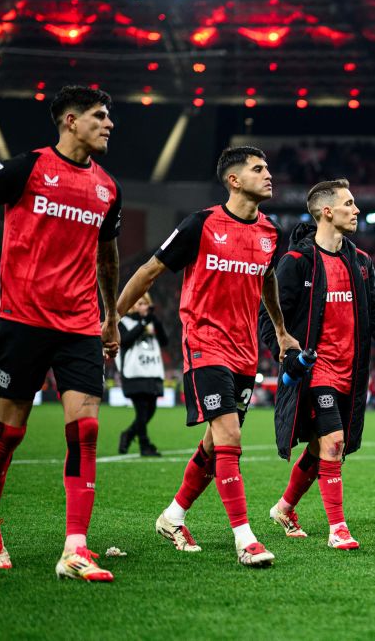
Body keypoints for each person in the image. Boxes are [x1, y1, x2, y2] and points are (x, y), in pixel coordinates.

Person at [0, 85, 121, 580]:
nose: (109, 124)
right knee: (11, 432)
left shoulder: (108, 188)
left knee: (86, 431)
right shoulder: (27, 168)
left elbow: (107, 256)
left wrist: (110, 316)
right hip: (23, 320)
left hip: (80, 324)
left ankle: (76, 548)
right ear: (70, 120)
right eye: (99, 116)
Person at [117, 146, 298, 567]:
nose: (268, 174)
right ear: (234, 180)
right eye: (258, 169)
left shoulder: (271, 233)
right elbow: (148, 271)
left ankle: (172, 516)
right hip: (204, 344)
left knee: (215, 444)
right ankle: (245, 538)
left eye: (267, 168)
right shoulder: (201, 224)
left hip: (245, 353)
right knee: (230, 438)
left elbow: (267, 279)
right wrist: (111, 319)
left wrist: (281, 331)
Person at [261, 179, 375, 551]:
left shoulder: (361, 262)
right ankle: (338, 529)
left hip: (352, 373)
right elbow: (269, 317)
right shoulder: (297, 262)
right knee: (333, 442)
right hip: (316, 371)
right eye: (349, 203)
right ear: (327, 212)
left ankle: (284, 508)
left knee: (322, 449)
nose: (356, 210)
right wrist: (286, 353)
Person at [117, 293, 168, 457]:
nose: (143, 307)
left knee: (150, 410)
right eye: (139, 303)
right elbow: (125, 340)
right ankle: (145, 445)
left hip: (152, 371)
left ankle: (128, 434)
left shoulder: (152, 321)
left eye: (146, 303)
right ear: (132, 305)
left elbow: (165, 341)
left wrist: (155, 321)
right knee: (141, 411)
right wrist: (144, 323)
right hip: (134, 372)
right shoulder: (123, 322)